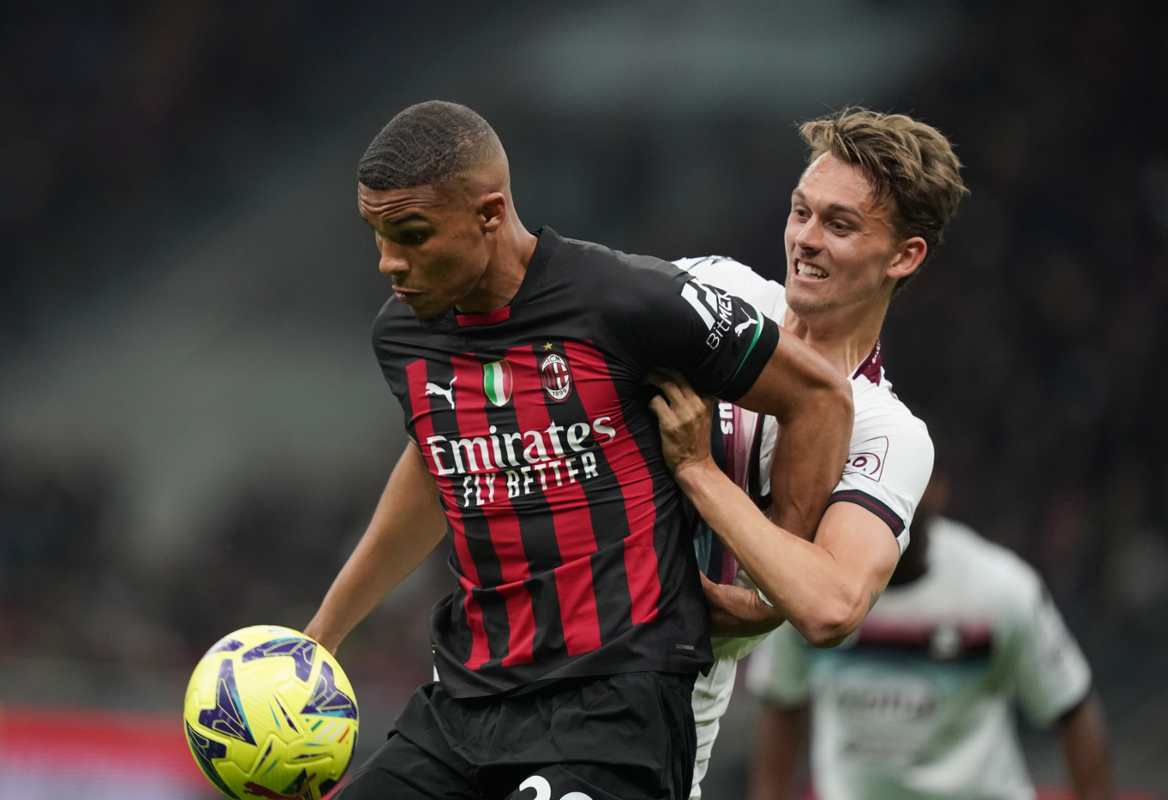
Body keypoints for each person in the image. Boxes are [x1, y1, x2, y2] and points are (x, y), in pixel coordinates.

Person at [304, 100, 855, 800]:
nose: (389, 262)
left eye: (411, 235)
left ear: (490, 213)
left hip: (614, 709)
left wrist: (772, 580)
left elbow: (819, 397)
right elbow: (441, 468)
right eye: (378, 235)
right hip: (466, 702)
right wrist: (323, 633)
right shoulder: (404, 337)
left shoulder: (630, 301)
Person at [645, 107, 969, 798]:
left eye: (839, 225)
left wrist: (700, 472)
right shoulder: (716, 290)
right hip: (521, 668)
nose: (806, 240)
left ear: (904, 256)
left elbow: (828, 605)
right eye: (801, 212)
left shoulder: (888, 433)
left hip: (653, 732)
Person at [745, 471, 1114, 800]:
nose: (882, 503)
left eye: (899, 483)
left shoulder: (999, 590)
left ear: (935, 489)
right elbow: (781, 702)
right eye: (868, 486)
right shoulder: (807, 590)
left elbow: (1071, 707)